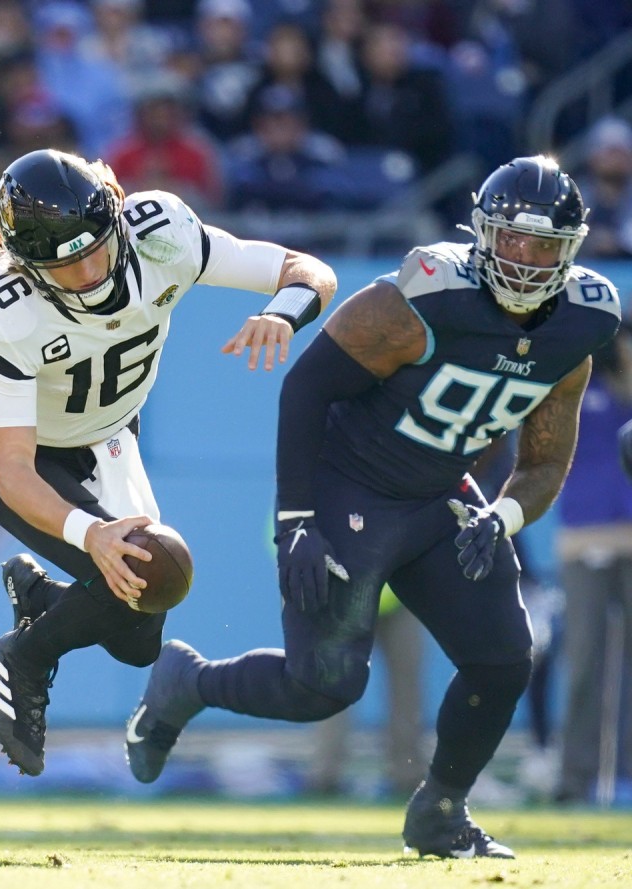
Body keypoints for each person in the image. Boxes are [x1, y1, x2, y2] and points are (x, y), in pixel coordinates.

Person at [124, 155, 620, 858]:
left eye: (542, 245)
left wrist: (500, 517)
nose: (523, 258)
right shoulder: (422, 297)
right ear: (481, 233)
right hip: (346, 485)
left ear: (569, 251)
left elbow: (544, 461)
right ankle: (188, 680)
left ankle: (441, 811)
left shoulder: (581, 325)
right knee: (323, 686)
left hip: (438, 495)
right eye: (509, 238)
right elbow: (306, 389)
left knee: (504, 657)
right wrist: (295, 520)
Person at [0, 148, 337, 776]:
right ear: (23, 264)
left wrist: (283, 310)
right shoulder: (5, 306)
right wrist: (92, 533)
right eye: (63, 263)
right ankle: (22, 657)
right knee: (134, 575)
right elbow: (14, 470)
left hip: (110, 439)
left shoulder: (161, 237)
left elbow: (308, 269)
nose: (85, 271)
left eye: (94, 249)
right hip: (30, 461)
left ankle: (40, 598)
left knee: (141, 633)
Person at [555, 325, 632, 804]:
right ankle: (574, 778)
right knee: (584, 662)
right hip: (583, 545)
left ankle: (625, 776)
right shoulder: (582, 391)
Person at [307, 586, 425, 798]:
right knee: (334, 688)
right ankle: (325, 775)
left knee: (406, 689)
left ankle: (408, 774)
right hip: (342, 601)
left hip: (402, 597)